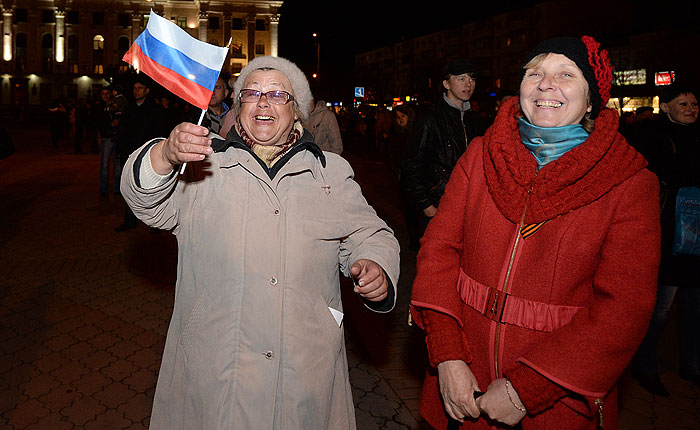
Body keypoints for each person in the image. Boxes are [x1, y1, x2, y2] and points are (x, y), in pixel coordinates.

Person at [119, 56, 400, 429]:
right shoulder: (204, 165)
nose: (263, 101)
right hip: (214, 369)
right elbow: (143, 200)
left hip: (304, 371)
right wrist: (164, 154)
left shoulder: (329, 173)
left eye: (277, 94)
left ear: (296, 110)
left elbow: (371, 234)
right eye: (251, 93)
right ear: (239, 107)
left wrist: (375, 264)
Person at [409, 36, 661, 429]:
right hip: (462, 383)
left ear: (591, 100)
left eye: (566, 75)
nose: (546, 84)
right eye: (535, 73)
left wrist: (526, 389)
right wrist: (447, 354)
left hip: (556, 399)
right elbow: (438, 251)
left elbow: (623, 309)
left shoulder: (629, 182)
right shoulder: (480, 155)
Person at [631, 85, 700, 396]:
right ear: (665, 107)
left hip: (697, 236)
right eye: (682, 103)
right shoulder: (653, 137)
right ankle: (645, 366)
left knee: (695, 307)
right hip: (668, 235)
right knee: (660, 309)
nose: (690, 108)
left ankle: (692, 366)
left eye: (694, 103)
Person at [401, 58, 486, 243]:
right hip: (439, 207)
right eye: (461, 78)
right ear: (446, 84)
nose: (468, 84)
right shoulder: (430, 120)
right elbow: (412, 167)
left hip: (471, 207)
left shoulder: (476, 121)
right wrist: (428, 207)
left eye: (472, 79)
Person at [114, 75, 166, 232]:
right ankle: (130, 220)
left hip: (148, 156)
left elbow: (159, 133)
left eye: (140, 88)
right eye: (135, 88)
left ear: (147, 90)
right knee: (130, 188)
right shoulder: (129, 109)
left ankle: (155, 223)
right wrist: (120, 151)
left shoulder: (155, 110)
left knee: (152, 190)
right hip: (130, 155)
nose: (136, 91)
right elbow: (122, 132)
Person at [98, 86, 124, 197]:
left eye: (107, 93)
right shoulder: (99, 107)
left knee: (117, 165)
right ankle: (103, 189)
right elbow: (99, 123)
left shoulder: (117, 105)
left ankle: (117, 189)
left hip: (117, 138)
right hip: (106, 138)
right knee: (104, 165)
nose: (105, 96)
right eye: (103, 93)